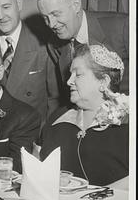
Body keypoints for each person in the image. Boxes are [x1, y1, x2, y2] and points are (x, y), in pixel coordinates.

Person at [40, 44, 129, 189]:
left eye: (78, 74)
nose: (69, 81)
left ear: (103, 81)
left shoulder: (128, 123)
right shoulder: (58, 118)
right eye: (70, 74)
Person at [34, 0, 129, 101]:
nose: (51, 24)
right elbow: (62, 95)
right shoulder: (53, 44)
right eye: (45, 18)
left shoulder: (122, 26)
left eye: (56, 14)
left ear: (76, 5)